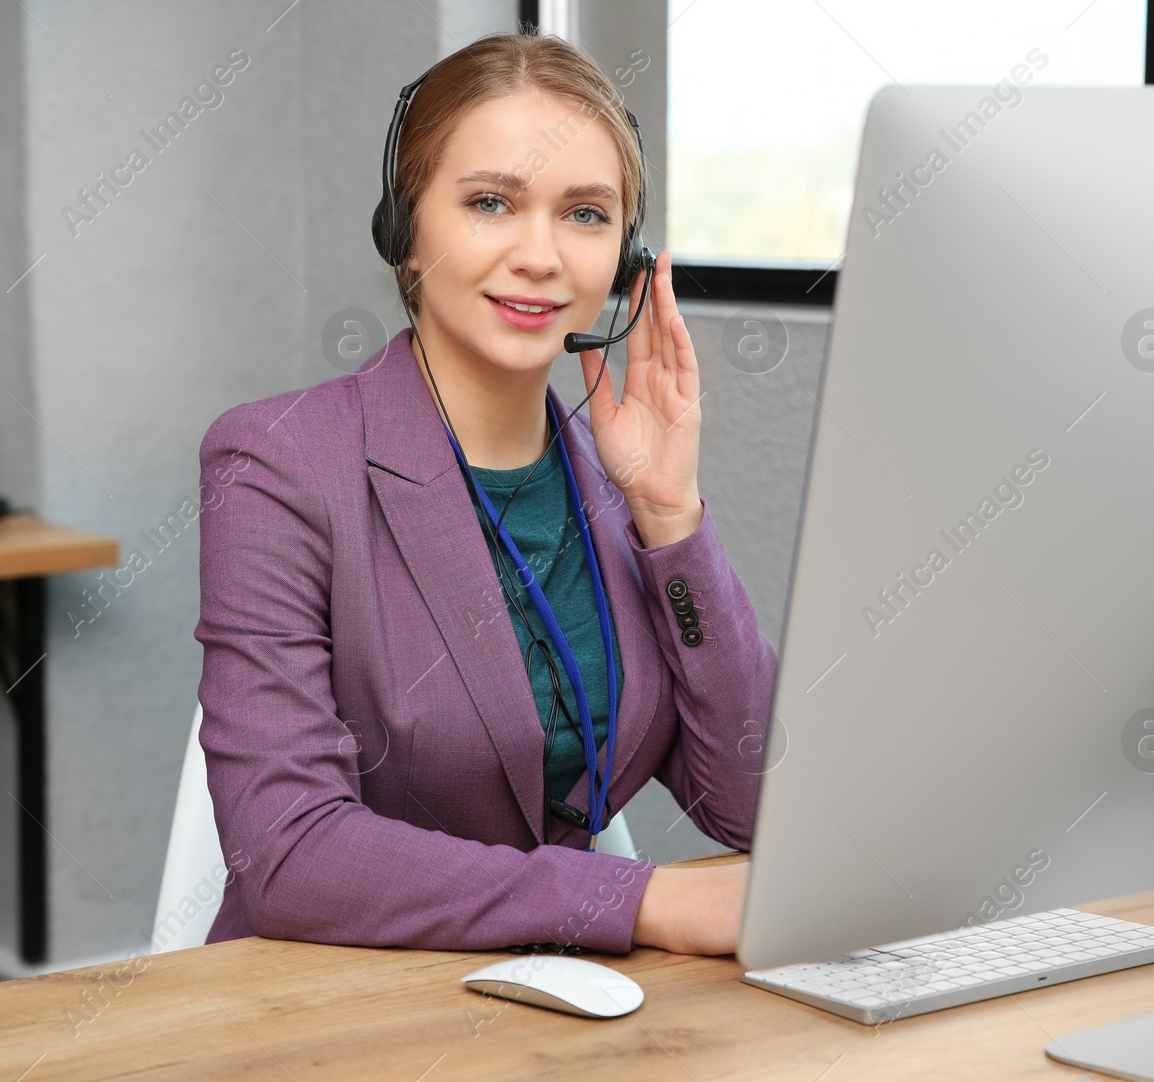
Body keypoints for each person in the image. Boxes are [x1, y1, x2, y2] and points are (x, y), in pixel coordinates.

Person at [194, 29, 776, 957]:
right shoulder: (276, 463)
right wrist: (637, 903)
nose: (540, 256)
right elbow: (290, 855)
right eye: (492, 203)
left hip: (559, 1009)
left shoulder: (613, 483)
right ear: (405, 225)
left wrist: (672, 515)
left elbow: (759, 805)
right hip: (333, 1006)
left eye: (585, 214)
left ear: (626, 254)